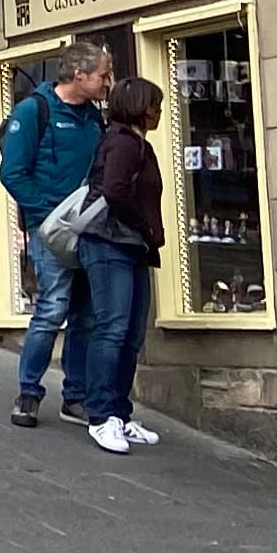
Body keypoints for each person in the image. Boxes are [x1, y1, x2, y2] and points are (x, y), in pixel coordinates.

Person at [0, 35, 112, 428]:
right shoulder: (33, 111)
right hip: (52, 229)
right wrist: (46, 215)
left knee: (86, 314)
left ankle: (75, 397)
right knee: (52, 309)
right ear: (79, 75)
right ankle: (28, 392)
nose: (107, 83)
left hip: (91, 227)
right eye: (102, 75)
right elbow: (11, 171)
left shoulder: (93, 116)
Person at [81, 74, 168, 458]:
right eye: (154, 105)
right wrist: (147, 225)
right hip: (110, 243)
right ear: (138, 107)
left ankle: (119, 410)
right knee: (113, 328)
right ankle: (100, 415)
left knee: (130, 333)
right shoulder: (123, 143)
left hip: (131, 246)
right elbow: (114, 192)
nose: (160, 112)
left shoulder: (134, 143)